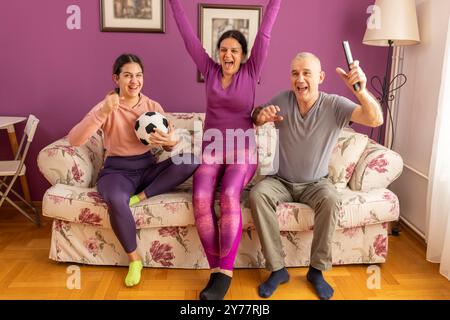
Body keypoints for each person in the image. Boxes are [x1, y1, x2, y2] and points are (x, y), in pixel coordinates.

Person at [167, 0, 281, 300]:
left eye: (234, 50)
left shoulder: (252, 69)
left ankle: (225, 276)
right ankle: (216, 268)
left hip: (243, 151)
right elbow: (187, 35)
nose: (228, 54)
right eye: (224, 49)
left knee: (229, 194)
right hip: (212, 150)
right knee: (201, 195)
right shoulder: (209, 69)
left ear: (243, 55)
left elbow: (265, 33)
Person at [249, 52, 383, 300]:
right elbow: (256, 115)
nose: (300, 79)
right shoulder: (283, 99)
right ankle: (278, 270)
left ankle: (316, 270)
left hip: (316, 183)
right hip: (280, 180)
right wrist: (260, 117)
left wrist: (360, 91)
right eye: (294, 73)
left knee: (331, 199)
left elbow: (375, 118)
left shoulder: (335, 105)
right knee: (257, 195)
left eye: (306, 73)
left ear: (320, 77)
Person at [68, 54, 198, 287]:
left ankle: (140, 197)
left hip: (147, 169)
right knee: (117, 199)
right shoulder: (106, 106)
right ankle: (135, 260)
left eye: (138, 75)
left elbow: (170, 143)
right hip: (117, 172)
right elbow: (75, 140)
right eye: (127, 75)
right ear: (116, 79)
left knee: (190, 159)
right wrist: (103, 112)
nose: (134, 81)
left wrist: (168, 142)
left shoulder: (152, 106)